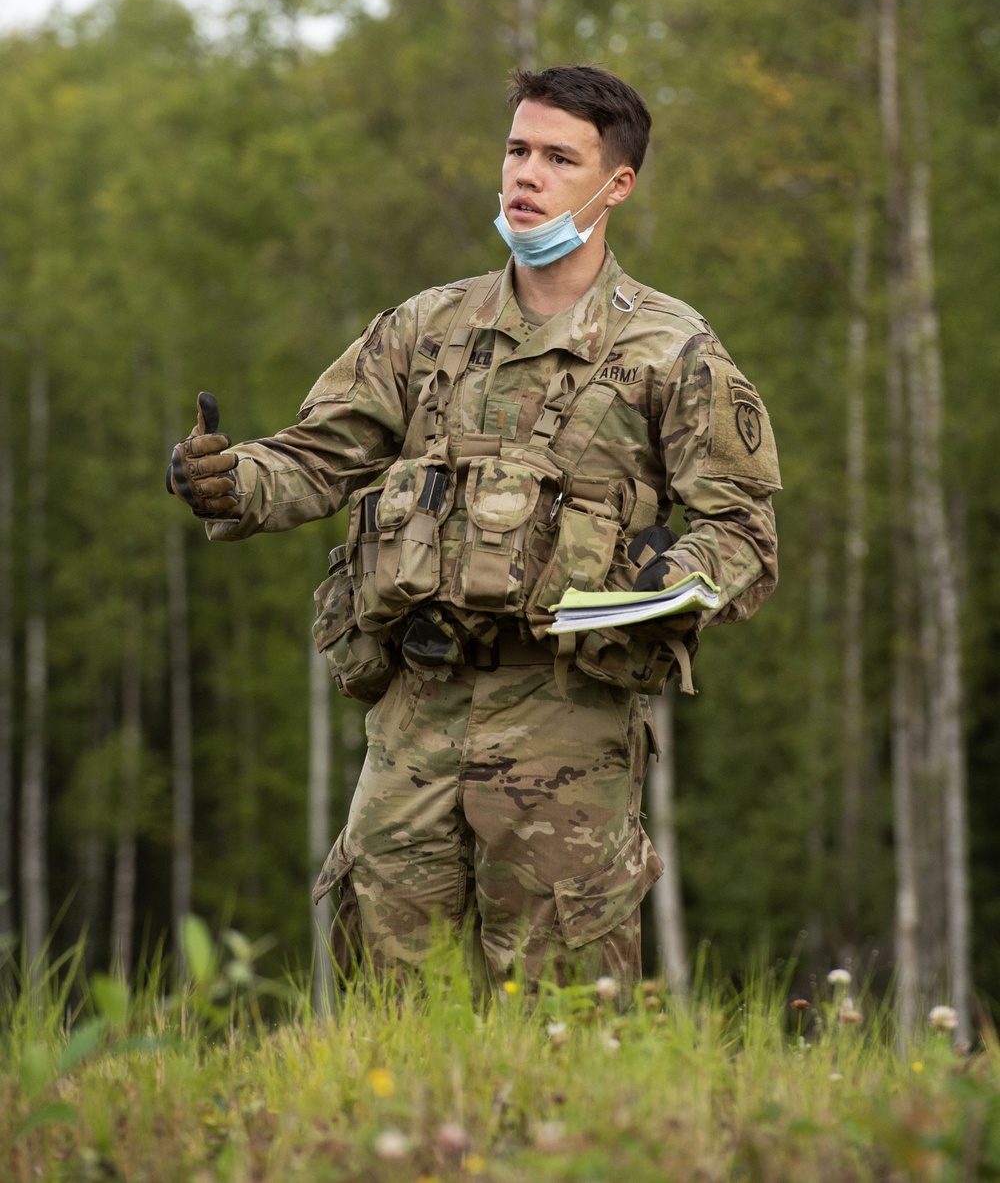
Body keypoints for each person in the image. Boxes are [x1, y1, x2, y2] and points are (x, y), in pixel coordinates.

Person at [168, 64, 780, 997]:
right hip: (414, 712)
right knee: (386, 998)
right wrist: (227, 481)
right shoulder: (427, 328)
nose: (526, 176)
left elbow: (743, 530)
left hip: (568, 724)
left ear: (617, 184)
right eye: (517, 150)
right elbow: (317, 459)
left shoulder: (671, 349)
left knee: (563, 1011)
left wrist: (671, 577)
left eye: (559, 158)